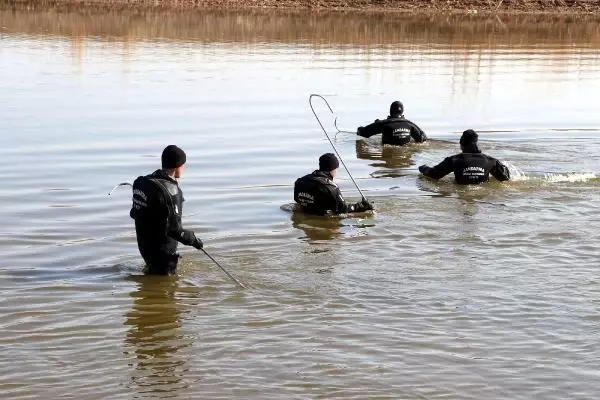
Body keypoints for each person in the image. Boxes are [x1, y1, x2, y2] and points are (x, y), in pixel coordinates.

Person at [130, 145, 203, 275]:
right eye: (184, 165)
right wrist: (194, 240)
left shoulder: (143, 182)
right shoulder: (172, 192)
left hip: (145, 249)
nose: (184, 168)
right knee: (168, 289)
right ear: (177, 167)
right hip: (163, 253)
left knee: (152, 278)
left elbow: (134, 213)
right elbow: (175, 231)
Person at [418, 129, 510, 184]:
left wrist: (423, 168)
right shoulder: (491, 161)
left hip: (461, 190)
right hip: (482, 197)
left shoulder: (454, 160)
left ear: (461, 144)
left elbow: (434, 175)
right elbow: (505, 178)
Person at [294, 153, 373, 216]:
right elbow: (343, 210)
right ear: (333, 169)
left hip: (305, 215)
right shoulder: (331, 188)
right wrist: (361, 206)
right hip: (323, 221)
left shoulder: (300, 181)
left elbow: (297, 201)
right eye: (336, 169)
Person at [357, 101, 427, 146]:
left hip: (388, 149)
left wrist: (376, 124)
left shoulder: (384, 124)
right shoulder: (410, 124)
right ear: (402, 112)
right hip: (406, 151)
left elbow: (362, 133)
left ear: (390, 111)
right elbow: (423, 138)